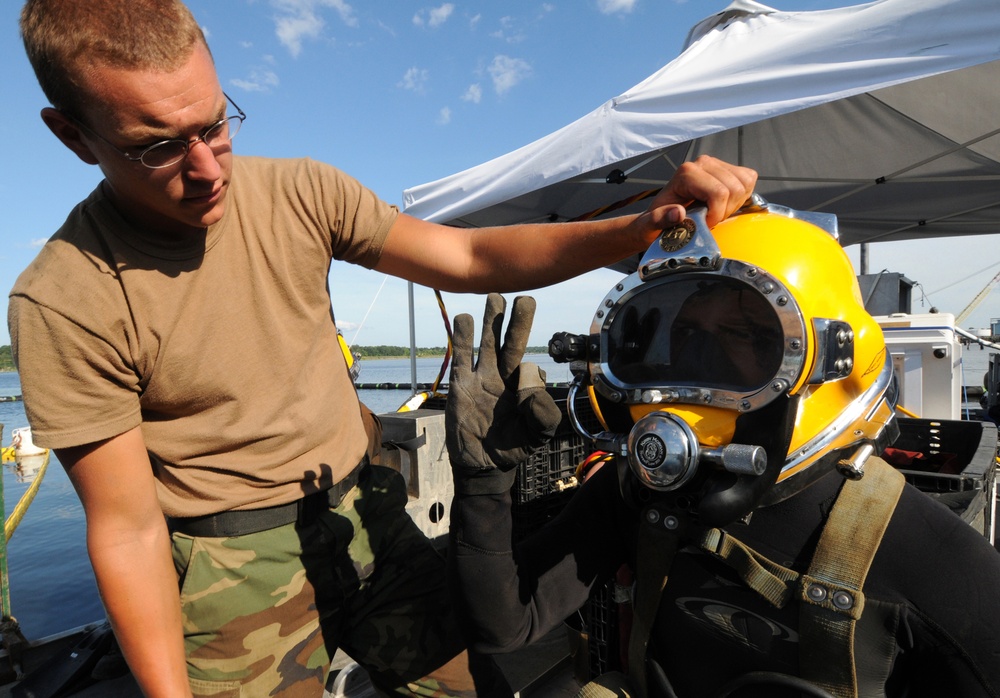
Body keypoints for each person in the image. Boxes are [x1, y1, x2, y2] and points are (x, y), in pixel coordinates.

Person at [9, 1, 757, 696]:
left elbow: (465, 259)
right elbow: (128, 527)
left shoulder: (301, 192)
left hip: (368, 513)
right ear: (72, 134)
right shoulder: (66, 298)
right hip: (229, 571)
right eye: (158, 149)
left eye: (214, 125)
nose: (206, 169)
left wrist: (638, 226)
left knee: (477, 684)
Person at [444, 203, 1000, 697]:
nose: (695, 365)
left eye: (741, 334)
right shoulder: (637, 497)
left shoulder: (937, 562)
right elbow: (504, 623)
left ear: (832, 358)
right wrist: (484, 485)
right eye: (682, 336)